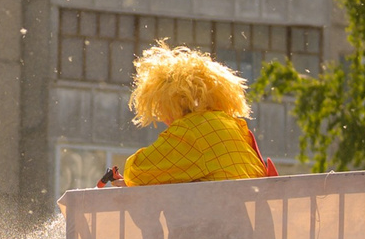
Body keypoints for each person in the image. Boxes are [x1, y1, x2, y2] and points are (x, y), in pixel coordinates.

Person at [114, 40, 274, 185]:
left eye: (160, 109)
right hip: (251, 212)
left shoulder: (189, 131)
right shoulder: (231, 124)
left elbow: (137, 171)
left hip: (221, 216)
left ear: (170, 103)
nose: (163, 119)